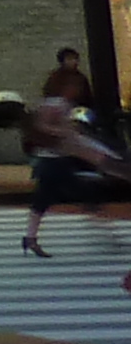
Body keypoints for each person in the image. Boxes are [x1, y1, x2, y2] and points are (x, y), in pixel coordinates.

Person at [23, 63, 127, 253]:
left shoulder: (51, 103)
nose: (77, 90)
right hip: (55, 161)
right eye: (74, 85)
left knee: (43, 200)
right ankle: (107, 233)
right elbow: (43, 128)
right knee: (86, 195)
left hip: (51, 161)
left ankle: (30, 238)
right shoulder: (57, 105)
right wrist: (67, 132)